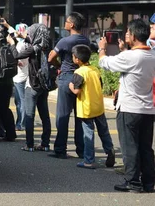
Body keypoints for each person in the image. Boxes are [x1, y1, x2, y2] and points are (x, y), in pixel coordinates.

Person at [99, 19, 155, 193]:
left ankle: (132, 182)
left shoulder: (131, 56)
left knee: (130, 146)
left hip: (129, 109)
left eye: (128, 33)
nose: (126, 35)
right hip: (148, 108)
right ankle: (148, 182)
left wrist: (102, 48)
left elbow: (104, 63)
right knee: (145, 147)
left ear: (135, 35)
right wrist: (124, 50)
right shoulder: (152, 55)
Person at [48, 12, 91, 159]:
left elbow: (51, 57)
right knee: (79, 116)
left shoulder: (64, 41)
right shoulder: (86, 40)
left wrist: (59, 66)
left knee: (62, 116)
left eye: (66, 21)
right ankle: (81, 150)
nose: (65, 23)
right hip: (81, 77)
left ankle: (60, 149)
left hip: (67, 78)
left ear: (71, 25)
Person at [68, 44, 115, 169]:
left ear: (77, 59)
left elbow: (77, 91)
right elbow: (100, 85)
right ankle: (109, 150)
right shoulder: (95, 69)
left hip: (86, 108)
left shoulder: (79, 72)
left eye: (73, 56)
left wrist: (71, 86)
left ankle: (89, 160)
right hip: (98, 106)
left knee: (88, 134)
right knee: (103, 131)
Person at [7, 23, 52, 152]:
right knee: (45, 116)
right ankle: (45, 144)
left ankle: (29, 144)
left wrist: (12, 43)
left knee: (29, 115)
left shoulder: (33, 49)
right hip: (44, 85)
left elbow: (16, 55)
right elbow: (34, 41)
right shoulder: (46, 46)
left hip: (32, 84)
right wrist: (24, 36)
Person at [12, 23, 29, 131]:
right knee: (21, 101)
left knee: (21, 102)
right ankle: (21, 123)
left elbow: (18, 60)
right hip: (25, 75)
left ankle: (21, 124)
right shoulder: (28, 44)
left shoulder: (20, 45)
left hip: (19, 77)